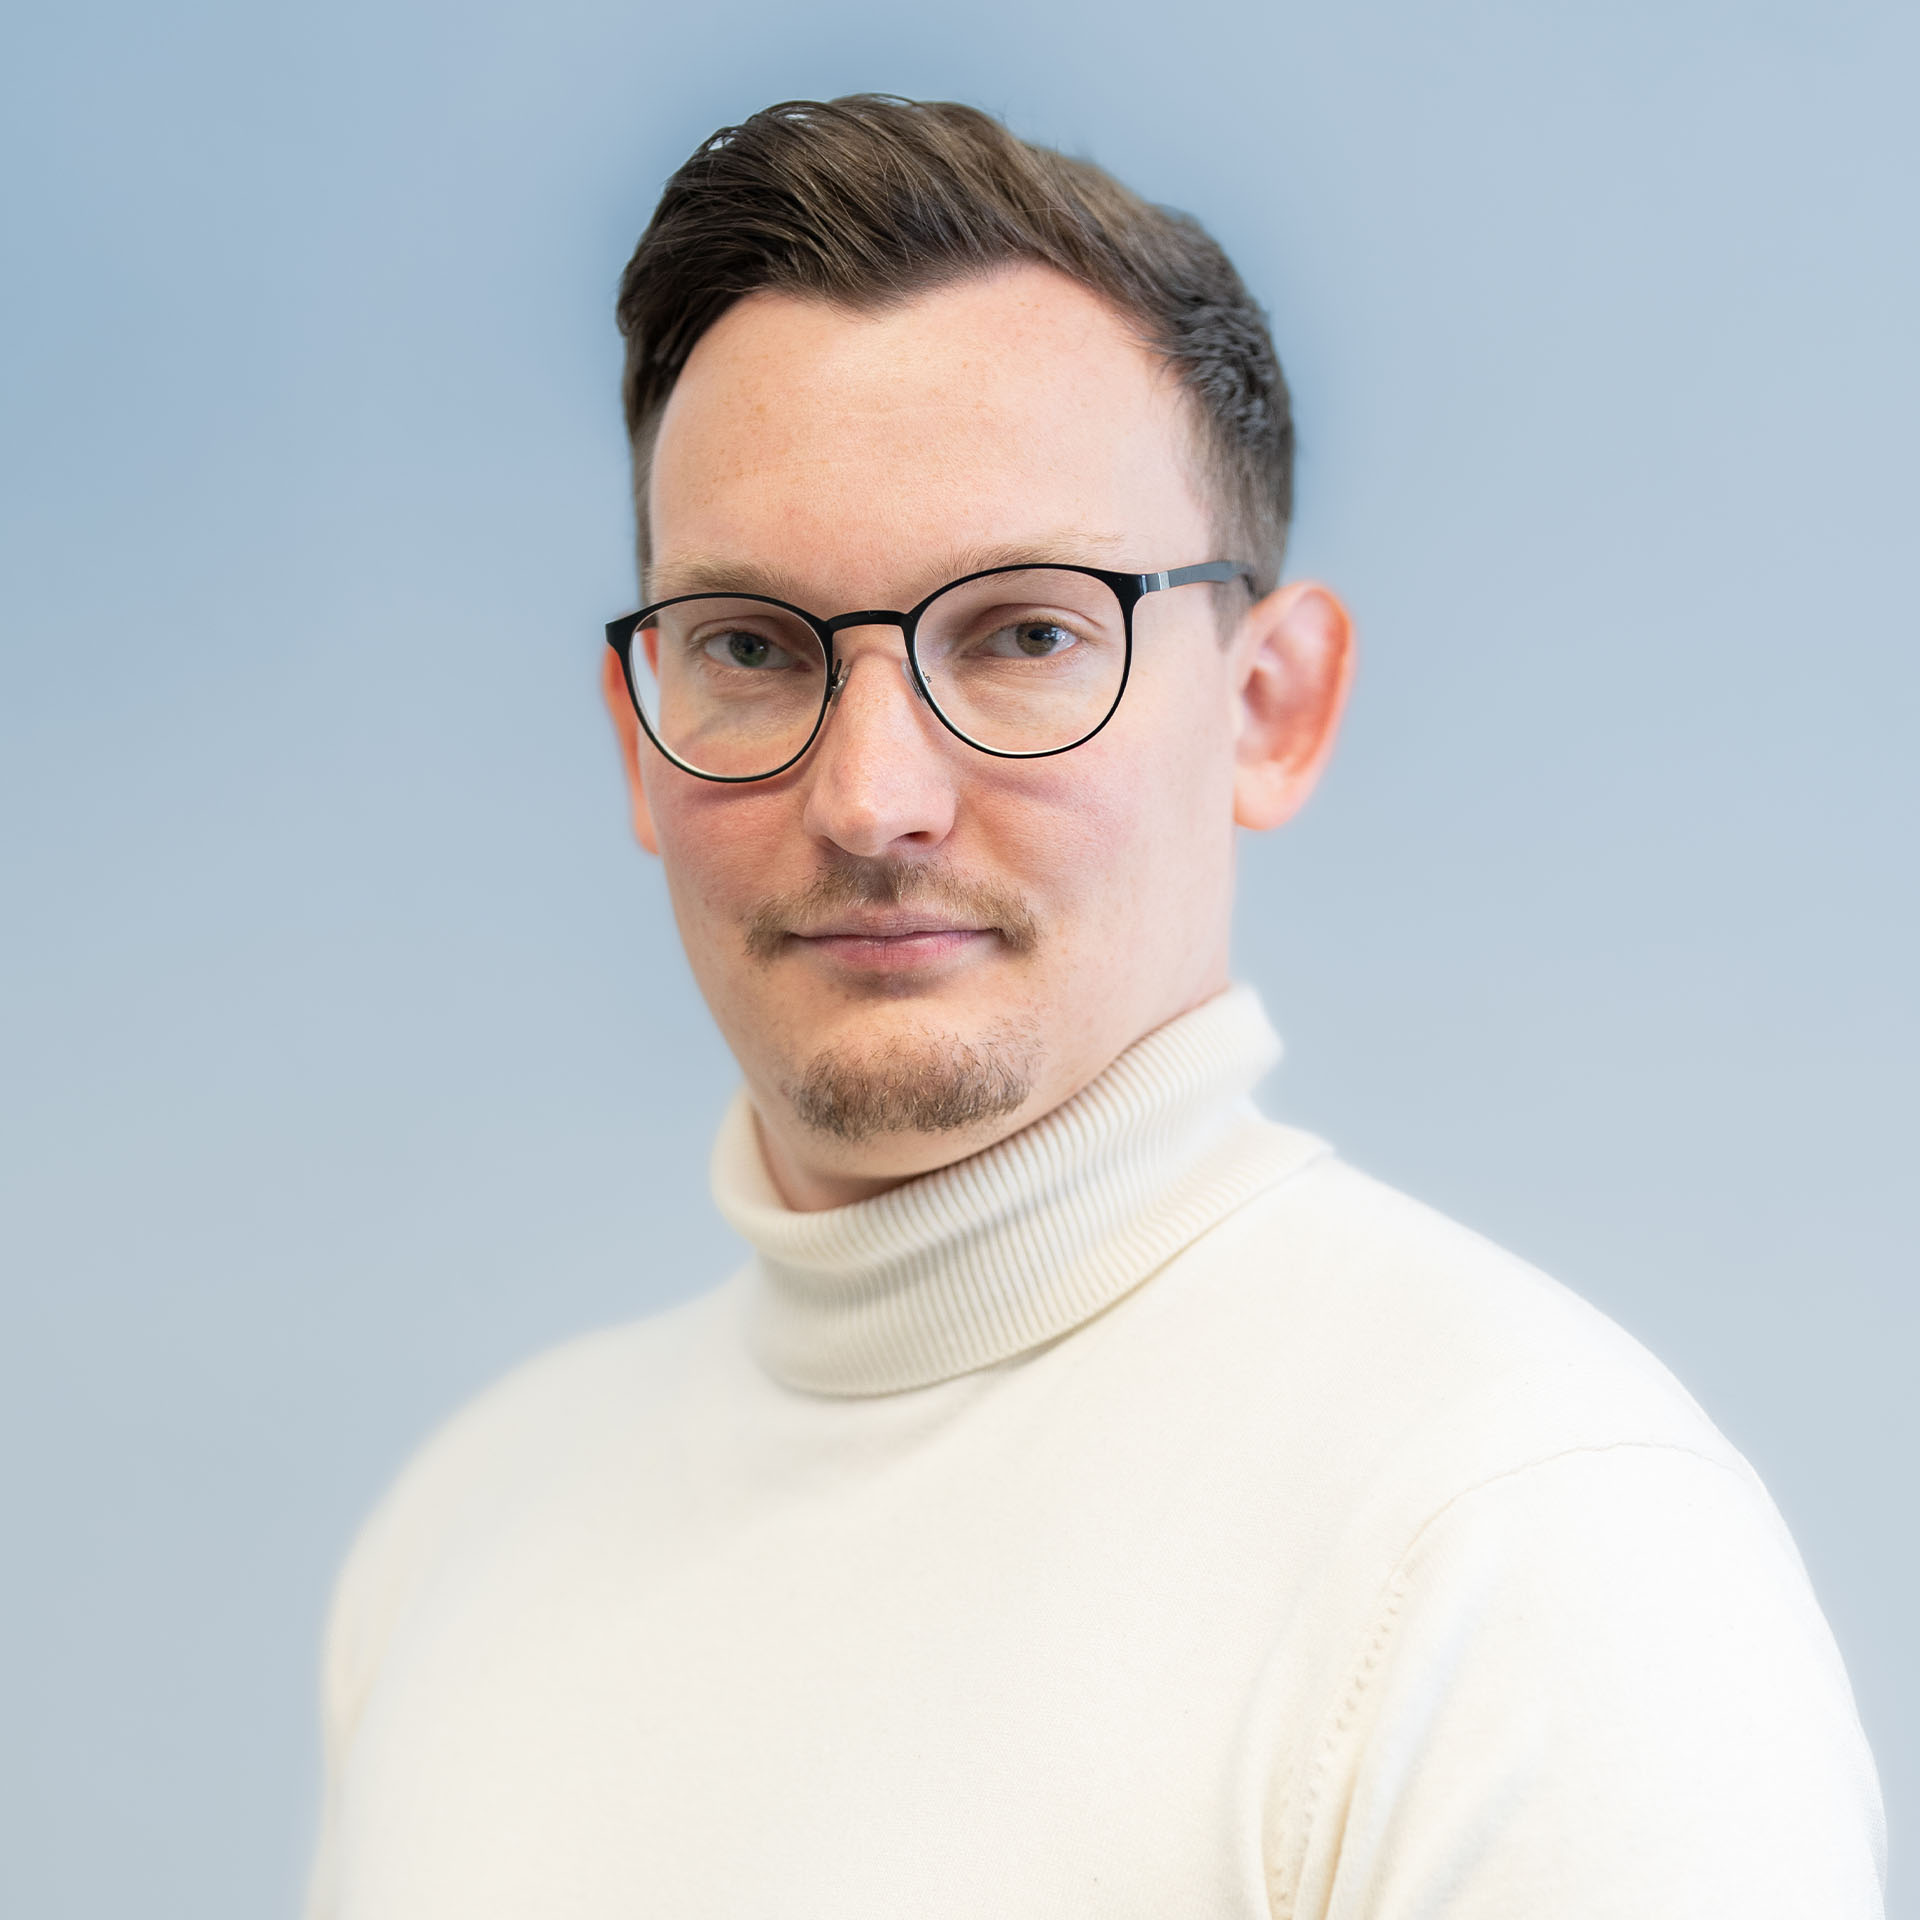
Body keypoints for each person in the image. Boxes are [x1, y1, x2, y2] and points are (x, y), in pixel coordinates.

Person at [304, 96, 1884, 1917]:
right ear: (639, 741)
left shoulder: (1530, 1544)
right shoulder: (461, 1536)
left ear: (1271, 707)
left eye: (1025, 634)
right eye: (750, 647)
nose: (872, 798)